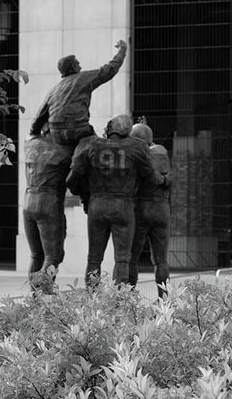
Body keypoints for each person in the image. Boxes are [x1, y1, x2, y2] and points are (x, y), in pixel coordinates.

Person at [66, 114, 170, 288]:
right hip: (123, 206)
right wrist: (165, 180)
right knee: (122, 259)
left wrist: (85, 197)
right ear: (127, 132)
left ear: (108, 128)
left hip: (97, 204)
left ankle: (92, 302)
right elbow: (151, 177)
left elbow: (72, 180)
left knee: (94, 258)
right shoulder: (136, 148)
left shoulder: (91, 145)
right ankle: (120, 302)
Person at [29, 40, 127, 146]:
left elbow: (38, 118)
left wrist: (33, 134)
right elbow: (110, 69)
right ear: (73, 67)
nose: (80, 68)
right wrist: (122, 50)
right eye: (78, 64)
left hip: (57, 135)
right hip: (78, 131)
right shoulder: (82, 78)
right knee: (98, 148)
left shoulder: (53, 90)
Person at [23, 131, 73, 292]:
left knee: (36, 255)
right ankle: (43, 296)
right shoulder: (63, 150)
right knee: (52, 256)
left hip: (28, 200)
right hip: (49, 202)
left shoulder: (30, 143)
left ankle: (35, 297)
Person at [128, 123, 172, 298]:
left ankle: (128, 299)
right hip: (162, 209)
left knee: (132, 258)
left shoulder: (137, 154)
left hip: (141, 208)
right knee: (161, 260)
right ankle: (164, 299)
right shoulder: (162, 151)